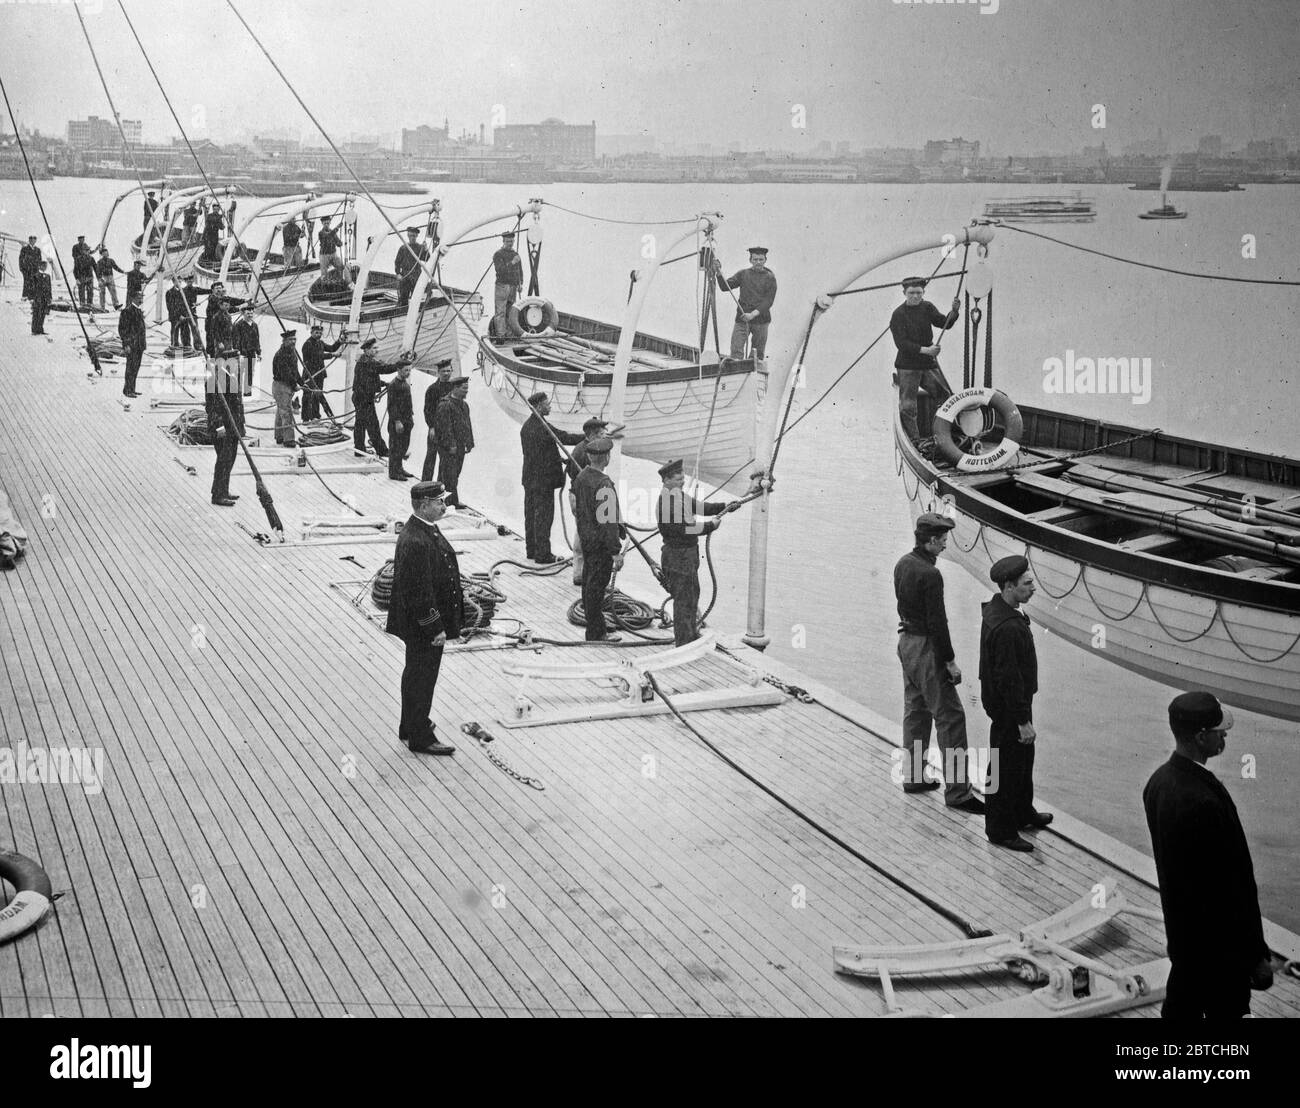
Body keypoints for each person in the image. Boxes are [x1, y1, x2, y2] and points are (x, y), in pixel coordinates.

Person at [1144, 691, 1274, 1019]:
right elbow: (1236, 887)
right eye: (1219, 731)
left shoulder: (1157, 783)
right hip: (1221, 950)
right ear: (1201, 738)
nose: (1225, 735)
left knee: (1180, 1008)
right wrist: (1256, 954)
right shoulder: (1205, 800)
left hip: (1185, 937)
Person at [892, 512, 983, 812]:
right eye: (943, 540)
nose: (945, 545)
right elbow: (938, 623)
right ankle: (958, 793)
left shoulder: (903, 563)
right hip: (926, 648)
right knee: (951, 717)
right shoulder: (931, 575)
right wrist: (950, 661)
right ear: (931, 541)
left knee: (916, 711)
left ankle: (914, 776)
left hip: (906, 642)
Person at [979, 555, 1052, 852]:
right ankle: (999, 829)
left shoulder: (999, 609)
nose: (1033, 588)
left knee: (1022, 762)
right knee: (1003, 767)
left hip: (1014, 704)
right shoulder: (1007, 627)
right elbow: (1008, 677)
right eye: (1027, 583)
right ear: (1009, 586)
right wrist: (1022, 720)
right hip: (1010, 709)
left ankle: (1023, 812)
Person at [385, 480, 463, 756]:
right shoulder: (417, 540)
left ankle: (410, 725)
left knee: (415, 674)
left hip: (417, 624)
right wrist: (435, 628)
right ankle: (420, 736)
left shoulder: (423, 528)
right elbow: (419, 592)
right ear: (424, 506)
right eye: (439, 502)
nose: (444, 505)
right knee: (423, 677)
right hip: (423, 626)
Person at [656, 459, 738, 646]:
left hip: (686, 557)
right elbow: (684, 529)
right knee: (684, 601)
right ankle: (684, 643)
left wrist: (725, 506)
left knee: (691, 596)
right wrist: (710, 526)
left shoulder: (679, 496)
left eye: (683, 478)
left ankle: (689, 636)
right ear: (666, 480)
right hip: (677, 557)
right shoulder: (668, 503)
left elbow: (701, 507)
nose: (682, 482)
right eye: (678, 479)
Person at [890, 276, 960, 451]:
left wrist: (955, 312)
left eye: (918, 293)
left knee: (945, 397)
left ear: (924, 292)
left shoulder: (927, 307)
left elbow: (944, 323)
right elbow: (901, 344)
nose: (915, 296)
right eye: (911, 293)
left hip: (927, 364)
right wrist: (925, 350)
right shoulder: (898, 314)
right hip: (907, 366)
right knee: (908, 406)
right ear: (904, 293)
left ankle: (944, 436)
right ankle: (915, 442)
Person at [520, 392, 585, 563]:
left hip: (530, 479)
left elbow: (541, 453)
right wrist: (587, 437)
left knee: (531, 515)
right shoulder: (542, 427)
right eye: (547, 404)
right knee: (544, 517)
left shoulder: (527, 426)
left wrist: (559, 460)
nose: (550, 407)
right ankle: (543, 554)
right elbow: (564, 438)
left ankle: (532, 550)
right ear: (540, 406)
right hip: (543, 481)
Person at [573, 437, 626, 642]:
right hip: (601, 545)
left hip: (587, 541)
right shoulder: (603, 484)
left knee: (588, 584)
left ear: (588, 456)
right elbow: (607, 522)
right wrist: (616, 552)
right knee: (596, 588)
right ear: (606, 457)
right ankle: (596, 633)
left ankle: (594, 627)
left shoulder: (582, 477)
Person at [564, 417, 611, 586]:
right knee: (586, 534)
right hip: (581, 497)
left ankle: (579, 572)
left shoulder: (583, 448)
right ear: (592, 435)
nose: (604, 437)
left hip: (578, 495)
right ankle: (583, 574)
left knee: (582, 531)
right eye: (601, 434)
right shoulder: (585, 452)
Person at [712, 246, 777, 361]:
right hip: (742, 319)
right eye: (755, 259)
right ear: (750, 260)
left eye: (761, 259)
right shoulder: (743, 274)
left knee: (757, 355)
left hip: (761, 321)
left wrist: (752, 314)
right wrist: (718, 272)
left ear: (765, 260)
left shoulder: (770, 278)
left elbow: (768, 301)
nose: (758, 262)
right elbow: (725, 287)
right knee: (736, 351)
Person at [351, 338, 403, 457]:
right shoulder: (368, 362)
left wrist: (384, 384)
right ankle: (382, 450)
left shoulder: (364, 361)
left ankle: (359, 449)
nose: (376, 350)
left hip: (360, 397)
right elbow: (384, 369)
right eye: (374, 348)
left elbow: (370, 379)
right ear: (367, 350)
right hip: (363, 399)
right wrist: (399, 364)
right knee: (372, 424)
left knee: (360, 424)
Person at [205, 350, 244, 507]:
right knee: (223, 460)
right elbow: (212, 405)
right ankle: (217, 495)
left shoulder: (231, 375)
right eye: (235, 360)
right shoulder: (215, 379)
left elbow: (237, 403)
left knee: (230, 458)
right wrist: (219, 425)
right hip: (222, 427)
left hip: (233, 426)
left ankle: (224, 490)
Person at [433, 377, 473, 507]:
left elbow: (467, 424)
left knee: (455, 473)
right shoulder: (445, 405)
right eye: (464, 389)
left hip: (460, 445)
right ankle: (449, 501)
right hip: (449, 447)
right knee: (449, 474)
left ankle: (448, 499)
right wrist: (451, 445)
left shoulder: (464, 405)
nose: (466, 392)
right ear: (455, 388)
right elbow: (445, 428)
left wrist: (469, 442)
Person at [420, 359, 456, 481]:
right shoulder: (432, 389)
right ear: (438, 372)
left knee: (445, 459)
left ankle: (440, 485)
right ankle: (425, 483)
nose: (446, 373)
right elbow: (428, 410)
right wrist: (431, 427)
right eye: (443, 371)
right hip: (436, 429)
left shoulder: (454, 388)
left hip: (449, 430)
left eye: (448, 370)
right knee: (431, 456)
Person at [300, 323, 342, 422]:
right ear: (311, 333)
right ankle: (305, 418)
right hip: (310, 375)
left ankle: (315, 416)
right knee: (307, 395)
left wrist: (339, 341)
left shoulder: (321, 343)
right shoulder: (307, 344)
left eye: (320, 333)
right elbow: (317, 355)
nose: (318, 334)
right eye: (316, 332)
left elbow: (331, 348)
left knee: (317, 395)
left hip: (319, 374)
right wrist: (332, 355)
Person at [270, 328, 302, 448]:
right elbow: (286, 373)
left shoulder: (292, 352)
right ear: (284, 341)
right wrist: (295, 385)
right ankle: (288, 440)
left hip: (286, 385)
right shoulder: (281, 354)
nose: (293, 342)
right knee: (286, 412)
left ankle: (279, 436)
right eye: (290, 340)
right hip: (281, 386)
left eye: (294, 339)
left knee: (280, 411)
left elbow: (295, 371)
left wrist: (301, 382)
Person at [386, 361, 417, 480]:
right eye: (406, 370)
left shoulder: (404, 383)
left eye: (409, 370)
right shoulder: (394, 385)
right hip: (398, 422)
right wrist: (397, 421)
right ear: (399, 370)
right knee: (395, 447)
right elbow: (392, 405)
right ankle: (393, 472)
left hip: (407, 420)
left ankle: (399, 468)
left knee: (403, 446)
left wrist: (410, 418)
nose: (408, 373)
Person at [491, 230, 523, 337]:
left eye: (512, 241)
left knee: (511, 311)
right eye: (508, 241)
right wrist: (512, 262)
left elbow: (519, 270)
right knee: (500, 311)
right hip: (502, 286)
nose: (510, 243)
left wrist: (520, 283)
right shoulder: (498, 254)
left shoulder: (515, 254)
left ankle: (509, 334)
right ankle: (500, 335)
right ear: (504, 241)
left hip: (513, 286)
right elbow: (500, 270)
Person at [118, 290, 147, 398]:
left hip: (139, 345)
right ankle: (127, 390)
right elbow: (122, 330)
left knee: (136, 367)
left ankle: (132, 389)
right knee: (130, 368)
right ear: (134, 298)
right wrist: (126, 345)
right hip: (132, 345)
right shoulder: (127, 311)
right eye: (139, 297)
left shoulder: (138, 311)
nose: (141, 299)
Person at [231, 304, 261, 397]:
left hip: (251, 353)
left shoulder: (255, 325)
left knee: (250, 372)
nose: (250, 315)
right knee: (239, 372)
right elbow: (236, 340)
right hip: (242, 353)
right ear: (243, 314)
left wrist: (259, 353)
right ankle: (238, 392)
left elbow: (257, 339)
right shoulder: (238, 325)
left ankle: (247, 392)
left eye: (252, 313)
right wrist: (238, 352)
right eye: (248, 313)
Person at [394, 226, 429, 306]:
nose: (412, 238)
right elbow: (397, 262)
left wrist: (426, 249)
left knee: (416, 298)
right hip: (405, 276)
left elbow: (428, 259)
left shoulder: (420, 248)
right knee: (403, 298)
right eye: (411, 236)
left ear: (416, 236)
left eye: (414, 236)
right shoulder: (403, 248)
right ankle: (403, 314)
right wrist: (398, 274)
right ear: (408, 236)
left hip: (416, 275)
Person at [317, 215, 349, 284]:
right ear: (322, 224)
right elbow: (328, 235)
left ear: (330, 223)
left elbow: (338, 243)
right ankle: (325, 287)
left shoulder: (332, 232)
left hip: (333, 254)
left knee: (341, 267)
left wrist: (340, 243)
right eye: (325, 223)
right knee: (324, 274)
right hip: (324, 256)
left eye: (328, 223)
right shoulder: (321, 233)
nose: (326, 225)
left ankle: (339, 281)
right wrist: (337, 228)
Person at [95, 246, 124, 311]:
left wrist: (123, 272)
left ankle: (116, 305)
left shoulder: (111, 261)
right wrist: (99, 279)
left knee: (113, 291)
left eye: (106, 253)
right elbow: (97, 272)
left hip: (110, 277)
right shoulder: (99, 262)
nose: (105, 254)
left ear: (108, 253)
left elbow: (116, 267)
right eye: (104, 253)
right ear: (102, 254)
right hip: (103, 278)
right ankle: (102, 307)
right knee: (102, 293)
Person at [180, 274, 203, 351]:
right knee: (184, 331)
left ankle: (198, 346)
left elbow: (204, 291)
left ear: (192, 280)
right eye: (187, 280)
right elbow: (179, 304)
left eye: (191, 279)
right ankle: (187, 346)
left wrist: (212, 291)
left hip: (192, 313)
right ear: (185, 281)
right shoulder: (182, 291)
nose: (189, 281)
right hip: (184, 313)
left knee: (195, 330)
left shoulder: (195, 289)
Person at [206, 296, 233, 360]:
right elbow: (215, 330)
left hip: (228, 340)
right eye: (225, 305)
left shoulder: (228, 315)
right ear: (220, 305)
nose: (227, 307)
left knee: (228, 357)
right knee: (220, 358)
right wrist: (219, 342)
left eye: (228, 305)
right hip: (221, 340)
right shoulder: (216, 316)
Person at [29, 259, 52, 335]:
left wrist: (50, 298)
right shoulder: (35, 276)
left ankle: (40, 329)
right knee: (36, 313)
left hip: (45, 298)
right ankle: (34, 329)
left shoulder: (48, 276)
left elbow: (49, 288)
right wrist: (31, 298)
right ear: (39, 266)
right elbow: (32, 287)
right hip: (37, 297)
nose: (44, 267)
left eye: (45, 266)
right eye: (43, 266)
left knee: (42, 314)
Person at [165, 277, 188, 349]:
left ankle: (185, 348)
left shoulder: (183, 292)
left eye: (180, 282)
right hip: (174, 316)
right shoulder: (169, 292)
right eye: (177, 281)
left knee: (184, 333)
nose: (179, 283)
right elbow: (170, 307)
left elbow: (185, 305)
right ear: (174, 282)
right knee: (174, 332)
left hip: (183, 317)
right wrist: (179, 315)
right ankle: (174, 347)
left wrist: (184, 315)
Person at [72, 239, 95, 309]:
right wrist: (77, 279)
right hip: (81, 277)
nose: (87, 252)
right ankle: (82, 305)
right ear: (83, 251)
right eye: (86, 250)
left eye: (88, 250)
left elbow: (96, 268)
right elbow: (75, 270)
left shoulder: (91, 259)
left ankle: (89, 304)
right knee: (81, 291)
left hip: (90, 277)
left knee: (90, 291)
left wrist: (99, 278)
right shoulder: (78, 259)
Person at [19, 235, 40, 300]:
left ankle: (33, 297)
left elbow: (40, 260)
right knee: (27, 283)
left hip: (35, 270)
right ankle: (25, 297)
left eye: (34, 239)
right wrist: (22, 269)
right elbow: (21, 259)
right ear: (29, 240)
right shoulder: (24, 249)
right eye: (31, 239)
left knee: (34, 283)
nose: (33, 241)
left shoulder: (38, 250)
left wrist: (38, 268)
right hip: (27, 270)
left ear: (35, 241)